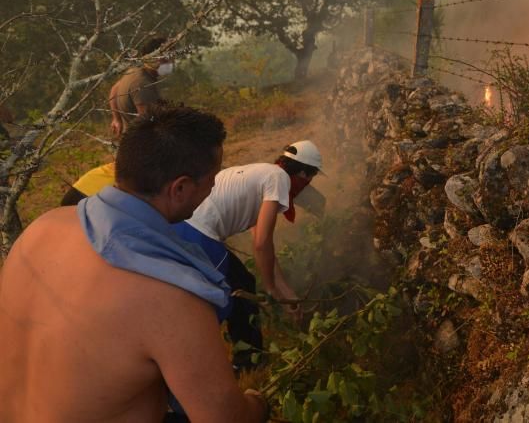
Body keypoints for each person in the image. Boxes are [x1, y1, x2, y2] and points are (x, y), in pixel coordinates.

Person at [0, 105, 268, 422]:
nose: (213, 188)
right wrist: (256, 405)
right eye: (212, 179)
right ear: (180, 188)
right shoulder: (171, 297)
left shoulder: (42, 228)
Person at [173, 140, 323, 370]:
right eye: (310, 177)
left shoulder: (264, 172)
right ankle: (246, 364)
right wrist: (271, 288)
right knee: (229, 295)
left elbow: (262, 242)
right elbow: (262, 245)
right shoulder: (279, 179)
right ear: (303, 172)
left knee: (240, 283)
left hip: (182, 226)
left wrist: (285, 293)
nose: (308, 184)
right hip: (199, 234)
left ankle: (245, 359)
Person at [109, 37, 174, 137]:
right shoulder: (144, 84)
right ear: (155, 58)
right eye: (167, 59)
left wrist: (116, 119)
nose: (171, 62)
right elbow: (148, 123)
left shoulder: (134, 71)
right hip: (139, 143)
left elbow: (114, 88)